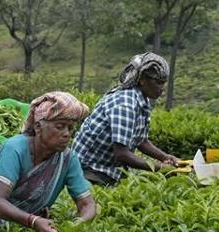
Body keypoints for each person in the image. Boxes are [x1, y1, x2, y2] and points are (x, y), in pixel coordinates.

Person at [0, 91, 96, 232]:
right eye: (60, 127)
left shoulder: (68, 159)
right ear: (38, 127)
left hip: (25, 227)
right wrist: (33, 221)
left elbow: (87, 204)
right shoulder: (15, 149)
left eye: (70, 128)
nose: (67, 134)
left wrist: (78, 223)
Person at [72, 52, 181, 186]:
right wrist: (159, 168)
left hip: (109, 169)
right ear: (142, 80)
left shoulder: (141, 100)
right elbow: (122, 154)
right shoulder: (125, 104)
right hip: (89, 170)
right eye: (158, 82)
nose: (162, 88)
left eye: (163, 83)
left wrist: (165, 157)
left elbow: (141, 141)